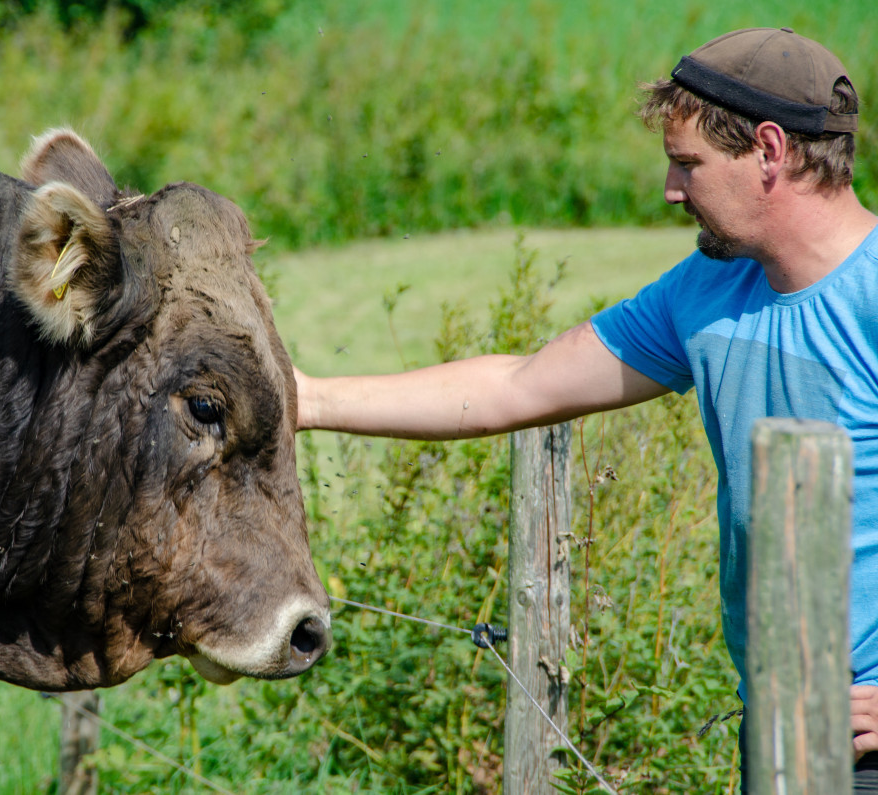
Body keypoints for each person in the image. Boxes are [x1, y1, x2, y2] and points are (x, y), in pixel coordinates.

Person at [294, 27, 878, 789]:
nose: (672, 190)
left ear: (770, 150)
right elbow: (519, 385)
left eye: (688, 164)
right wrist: (305, 398)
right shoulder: (706, 293)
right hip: (777, 729)